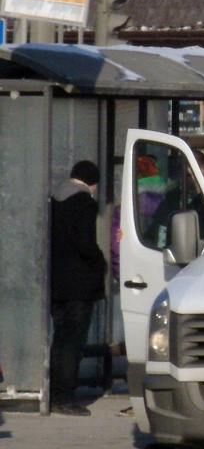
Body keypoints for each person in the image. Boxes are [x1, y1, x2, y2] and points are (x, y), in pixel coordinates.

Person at [49, 160, 107, 417]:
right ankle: (66, 397)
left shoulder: (55, 200)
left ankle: (53, 394)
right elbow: (86, 244)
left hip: (56, 284)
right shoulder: (84, 203)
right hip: (79, 287)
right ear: (92, 182)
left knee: (60, 340)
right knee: (74, 343)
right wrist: (100, 262)